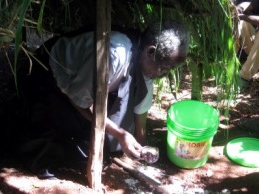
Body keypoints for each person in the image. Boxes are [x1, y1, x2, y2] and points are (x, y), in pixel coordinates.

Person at [12, 21, 190, 179]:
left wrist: (142, 149)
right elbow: (80, 101)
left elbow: (140, 110)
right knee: (54, 152)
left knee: (100, 147)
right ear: (151, 51)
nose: (161, 74)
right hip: (47, 74)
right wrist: (120, 134)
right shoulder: (114, 54)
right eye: (163, 67)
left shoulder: (149, 63)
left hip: (79, 89)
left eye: (168, 70)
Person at [234, 0, 259, 89]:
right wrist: (238, 9)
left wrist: (244, 17)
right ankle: (228, 64)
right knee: (240, 22)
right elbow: (251, 5)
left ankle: (244, 77)